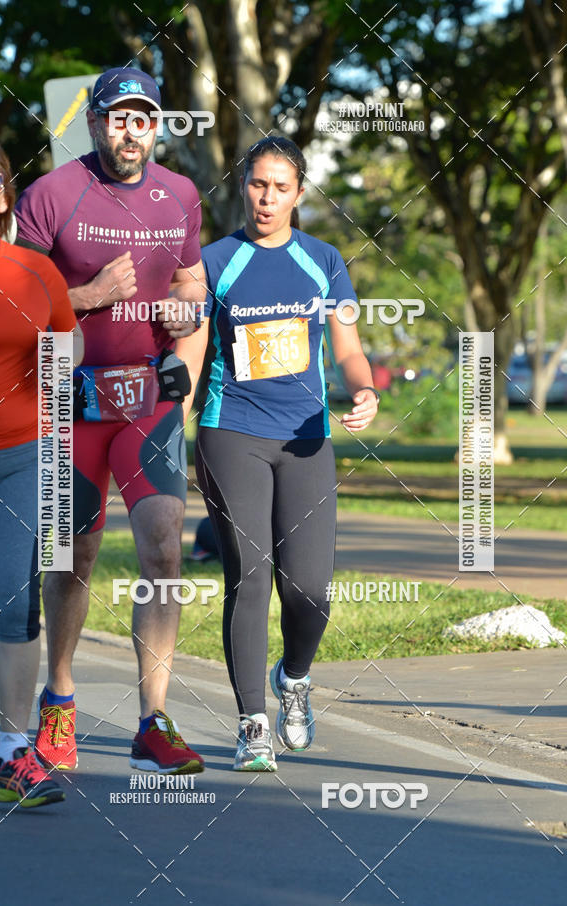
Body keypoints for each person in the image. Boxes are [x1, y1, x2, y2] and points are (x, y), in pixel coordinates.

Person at [15, 67, 207, 774]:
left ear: (157, 127)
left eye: (144, 119)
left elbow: (192, 282)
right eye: (118, 118)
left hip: (147, 402)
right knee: (74, 556)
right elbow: (15, 295)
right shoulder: (52, 194)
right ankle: (59, 701)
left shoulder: (179, 195)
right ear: (95, 123)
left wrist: (186, 312)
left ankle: (153, 720)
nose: (132, 131)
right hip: (70, 404)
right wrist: (89, 295)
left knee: (163, 549)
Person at [176, 136, 379, 771]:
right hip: (231, 430)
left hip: (306, 436)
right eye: (258, 185)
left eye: (280, 187)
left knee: (312, 590)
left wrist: (364, 386)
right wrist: (170, 405)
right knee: (251, 574)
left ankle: (293, 679)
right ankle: (251, 722)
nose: (267, 198)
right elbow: (192, 349)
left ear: (299, 193)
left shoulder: (325, 260)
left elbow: (346, 346)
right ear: (244, 186)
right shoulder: (215, 261)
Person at [0, 136, 83, 807]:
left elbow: (67, 342)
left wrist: (61, 371)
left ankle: (14, 752)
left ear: (6, 195)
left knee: (17, 605)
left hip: (22, 457)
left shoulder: (38, 273)